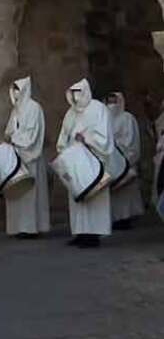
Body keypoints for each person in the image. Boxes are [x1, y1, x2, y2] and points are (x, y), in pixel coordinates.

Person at [55, 79, 113, 248]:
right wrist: (64, 150)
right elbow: (64, 134)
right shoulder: (70, 113)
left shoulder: (98, 109)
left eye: (78, 92)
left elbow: (104, 136)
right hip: (75, 161)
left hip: (92, 161)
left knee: (93, 196)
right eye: (73, 92)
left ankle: (93, 235)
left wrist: (87, 139)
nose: (75, 96)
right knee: (78, 198)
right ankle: (80, 232)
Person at [3, 76, 49, 237]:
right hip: (16, 156)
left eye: (17, 89)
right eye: (13, 89)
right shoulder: (15, 110)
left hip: (30, 157)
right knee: (18, 193)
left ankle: (31, 228)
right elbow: (10, 129)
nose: (15, 92)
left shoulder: (34, 108)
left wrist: (15, 138)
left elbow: (32, 134)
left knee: (30, 193)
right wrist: (9, 137)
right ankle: (18, 227)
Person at [106, 92, 145, 228]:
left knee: (125, 194)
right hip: (111, 162)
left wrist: (119, 148)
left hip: (125, 161)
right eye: (109, 102)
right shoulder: (105, 119)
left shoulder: (127, 118)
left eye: (114, 102)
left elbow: (131, 140)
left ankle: (126, 219)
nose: (111, 105)